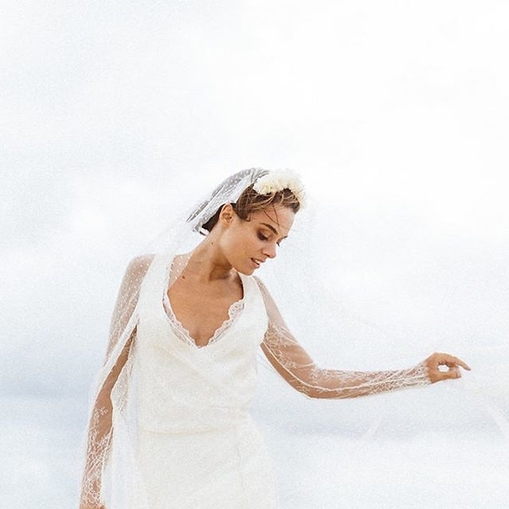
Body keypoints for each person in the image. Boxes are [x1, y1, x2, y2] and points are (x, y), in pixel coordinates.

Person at [78, 168, 470, 509]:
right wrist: (91, 490)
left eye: (279, 241)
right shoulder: (144, 275)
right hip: (158, 470)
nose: (272, 252)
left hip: (237, 471)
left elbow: (311, 380)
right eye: (264, 235)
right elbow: (108, 387)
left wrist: (415, 374)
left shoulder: (256, 300)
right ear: (228, 216)